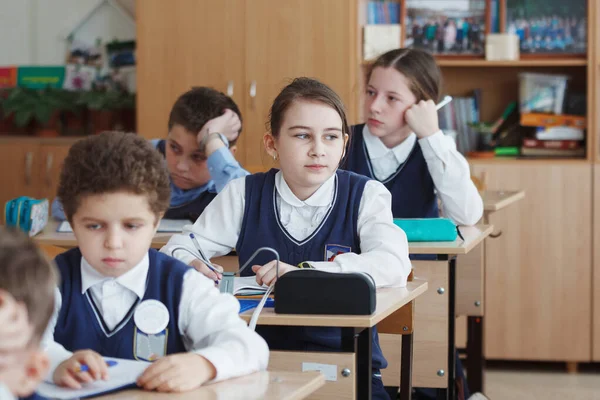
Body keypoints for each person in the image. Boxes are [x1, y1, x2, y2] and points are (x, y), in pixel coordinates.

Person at [161, 77, 412, 399]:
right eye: (302, 135)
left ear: (344, 145)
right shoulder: (244, 193)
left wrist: (304, 273)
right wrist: (190, 264)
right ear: (272, 144)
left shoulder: (366, 195)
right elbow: (177, 247)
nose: (318, 149)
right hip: (258, 363)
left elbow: (393, 264)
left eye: (331, 137)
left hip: (346, 361)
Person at [45, 132, 268, 393]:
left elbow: (250, 346)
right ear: (72, 221)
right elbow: (19, 344)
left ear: (156, 220)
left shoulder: (182, 283)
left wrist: (203, 364)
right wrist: (57, 363)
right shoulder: (49, 281)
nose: (114, 242)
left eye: (131, 226)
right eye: (95, 226)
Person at [52, 87, 248, 221]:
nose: (180, 166)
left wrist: (213, 141)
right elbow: (62, 206)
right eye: (174, 148)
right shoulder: (136, 158)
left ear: (225, 154)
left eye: (199, 156)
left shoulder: (228, 179)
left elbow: (259, 210)